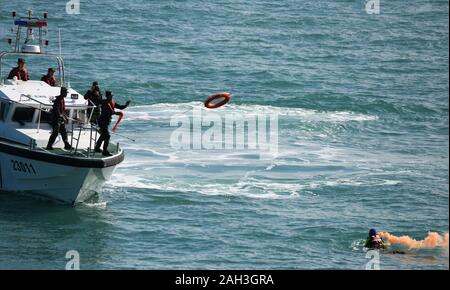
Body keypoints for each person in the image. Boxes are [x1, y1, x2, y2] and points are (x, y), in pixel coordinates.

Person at [95, 91, 130, 156]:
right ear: (107, 96)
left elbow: (119, 107)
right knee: (107, 136)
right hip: (102, 122)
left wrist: (126, 105)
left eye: (112, 95)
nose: (112, 97)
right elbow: (110, 112)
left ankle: (97, 148)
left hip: (107, 122)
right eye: (110, 96)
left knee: (103, 135)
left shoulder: (112, 102)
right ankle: (105, 151)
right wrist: (117, 113)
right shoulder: (105, 102)